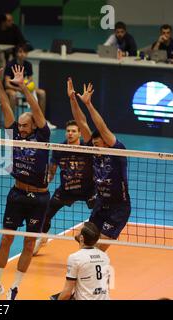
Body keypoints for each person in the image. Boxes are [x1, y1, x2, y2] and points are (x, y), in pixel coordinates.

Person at [0, 62, 50, 300]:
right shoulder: (15, 133)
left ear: (33, 125)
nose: (21, 129)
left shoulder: (42, 135)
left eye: (25, 125)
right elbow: (5, 106)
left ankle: (15, 287)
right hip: (17, 194)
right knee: (6, 238)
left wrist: (24, 88)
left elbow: (36, 110)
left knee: (27, 245)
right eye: (20, 126)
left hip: (39, 197)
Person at [68, 78, 131, 252]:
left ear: (107, 142)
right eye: (93, 144)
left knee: (97, 248)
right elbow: (81, 123)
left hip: (119, 207)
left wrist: (88, 105)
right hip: (101, 205)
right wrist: (72, 99)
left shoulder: (117, 152)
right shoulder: (94, 152)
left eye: (98, 143)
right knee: (81, 239)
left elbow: (101, 128)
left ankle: (96, 274)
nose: (95, 146)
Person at [33, 118, 95, 256]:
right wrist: (45, 183)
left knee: (98, 213)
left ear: (79, 133)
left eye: (73, 131)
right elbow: (52, 170)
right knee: (46, 213)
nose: (70, 134)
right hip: (66, 189)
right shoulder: (59, 148)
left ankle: (90, 242)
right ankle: (42, 237)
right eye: (68, 131)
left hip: (88, 189)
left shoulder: (88, 148)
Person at [4, 44, 56, 130]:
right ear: (16, 53)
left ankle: (41, 121)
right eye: (20, 52)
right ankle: (12, 122)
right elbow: (7, 84)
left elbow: (30, 81)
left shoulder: (28, 65)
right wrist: (19, 89)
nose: (22, 54)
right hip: (12, 88)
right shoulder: (10, 64)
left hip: (23, 88)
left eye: (24, 52)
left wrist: (26, 87)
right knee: (12, 95)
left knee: (42, 93)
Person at [56, 222, 111, 300]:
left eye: (78, 230)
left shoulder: (75, 258)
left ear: (81, 238)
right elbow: (107, 287)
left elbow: (67, 293)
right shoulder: (105, 256)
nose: (76, 231)